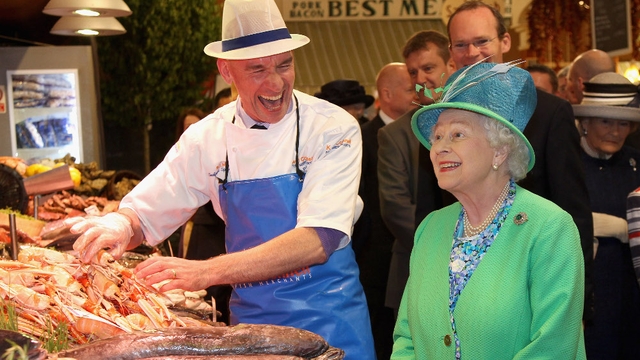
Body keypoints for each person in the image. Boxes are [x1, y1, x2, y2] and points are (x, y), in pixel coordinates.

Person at [65, 0, 375, 358]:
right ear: (226, 71)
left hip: (331, 317)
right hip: (252, 330)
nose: (276, 83)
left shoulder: (333, 126)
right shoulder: (207, 137)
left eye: (284, 65)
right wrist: (120, 224)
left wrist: (206, 272)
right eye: (257, 69)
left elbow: (316, 241)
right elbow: (148, 210)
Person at [391, 60, 586, 359]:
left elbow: (553, 347)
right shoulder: (431, 227)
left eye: (457, 135)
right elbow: (406, 338)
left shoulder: (549, 228)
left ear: (499, 149)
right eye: (437, 137)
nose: (440, 148)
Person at [447, 0, 594, 321]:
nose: (471, 52)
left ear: (505, 42)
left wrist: (575, 306)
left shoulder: (550, 113)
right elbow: (431, 207)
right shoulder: (440, 118)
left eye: (481, 41)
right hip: (458, 290)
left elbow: (574, 216)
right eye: (461, 44)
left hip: (534, 286)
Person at [378, 30, 456, 321]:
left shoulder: (474, 122)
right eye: (413, 71)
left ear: (450, 66)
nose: (421, 78)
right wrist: (450, 248)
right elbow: (395, 208)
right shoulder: (395, 135)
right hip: (415, 268)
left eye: (428, 68)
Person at [573, 72, 640, 359]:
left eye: (623, 123)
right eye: (605, 121)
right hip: (586, 297)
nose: (615, 131)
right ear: (585, 123)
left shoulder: (637, 162)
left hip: (631, 296)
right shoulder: (566, 164)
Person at [358, 62, 417, 359]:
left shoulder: (424, 130)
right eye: (410, 88)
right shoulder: (363, 136)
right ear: (387, 93)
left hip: (408, 258)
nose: (417, 92)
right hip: (376, 260)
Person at [176, 105, 232, 325]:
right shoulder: (184, 154)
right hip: (199, 228)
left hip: (217, 230)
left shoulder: (219, 148)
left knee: (219, 289)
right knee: (200, 290)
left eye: (195, 125)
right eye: (187, 127)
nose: (191, 130)